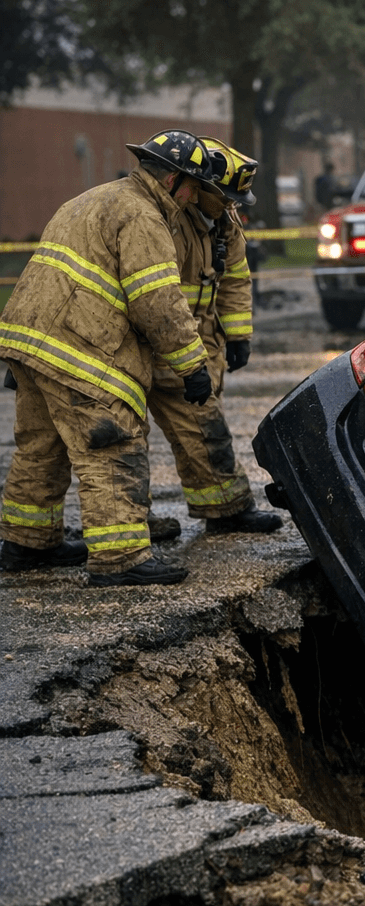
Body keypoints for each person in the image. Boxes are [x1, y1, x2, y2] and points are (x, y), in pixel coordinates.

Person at [0, 130, 215, 585]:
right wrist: (193, 365)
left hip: (32, 341)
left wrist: (29, 353)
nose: (196, 197)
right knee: (111, 444)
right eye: (195, 186)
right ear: (174, 179)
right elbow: (156, 301)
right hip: (81, 349)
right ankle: (121, 558)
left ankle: (26, 542)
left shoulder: (91, 198)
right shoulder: (143, 216)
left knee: (42, 447)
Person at [143, 135, 283, 542]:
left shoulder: (225, 224)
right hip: (150, 342)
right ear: (199, 186)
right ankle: (130, 524)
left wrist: (239, 335)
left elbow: (236, 278)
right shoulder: (165, 222)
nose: (230, 205)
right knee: (122, 439)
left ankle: (226, 510)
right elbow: (155, 295)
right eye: (223, 196)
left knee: (206, 428)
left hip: (194, 342)